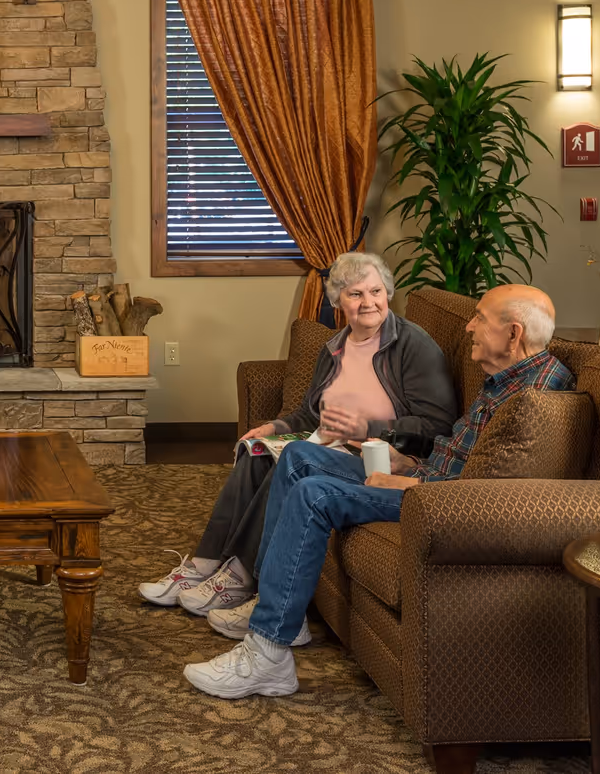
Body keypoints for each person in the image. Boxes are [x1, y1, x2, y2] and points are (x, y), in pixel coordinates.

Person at [183, 283, 573, 699]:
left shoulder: (533, 398)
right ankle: (279, 611)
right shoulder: (508, 377)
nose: (469, 327)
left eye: (480, 318)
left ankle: (267, 655)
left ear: (513, 334)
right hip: (425, 476)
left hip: (434, 502)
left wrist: (412, 481)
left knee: (314, 494)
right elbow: (466, 453)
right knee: (298, 456)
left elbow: (487, 494)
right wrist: (409, 462)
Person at [139, 251, 459, 617]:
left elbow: (437, 424)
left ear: (388, 292)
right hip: (325, 443)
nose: (368, 302)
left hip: (374, 456)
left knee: (293, 458)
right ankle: (203, 566)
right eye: (355, 294)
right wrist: (275, 427)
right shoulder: (334, 347)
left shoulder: (412, 345)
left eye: (376, 291)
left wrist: (367, 428)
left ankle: (243, 575)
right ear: (338, 301)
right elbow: (310, 411)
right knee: (255, 450)